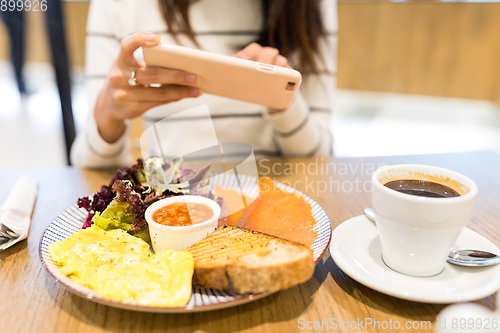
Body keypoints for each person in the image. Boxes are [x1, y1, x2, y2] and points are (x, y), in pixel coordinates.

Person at [71, 0, 337, 167]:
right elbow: (86, 162)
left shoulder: (307, 6)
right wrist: (110, 112)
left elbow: (320, 160)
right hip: (171, 208)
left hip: (273, 201)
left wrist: (283, 101)